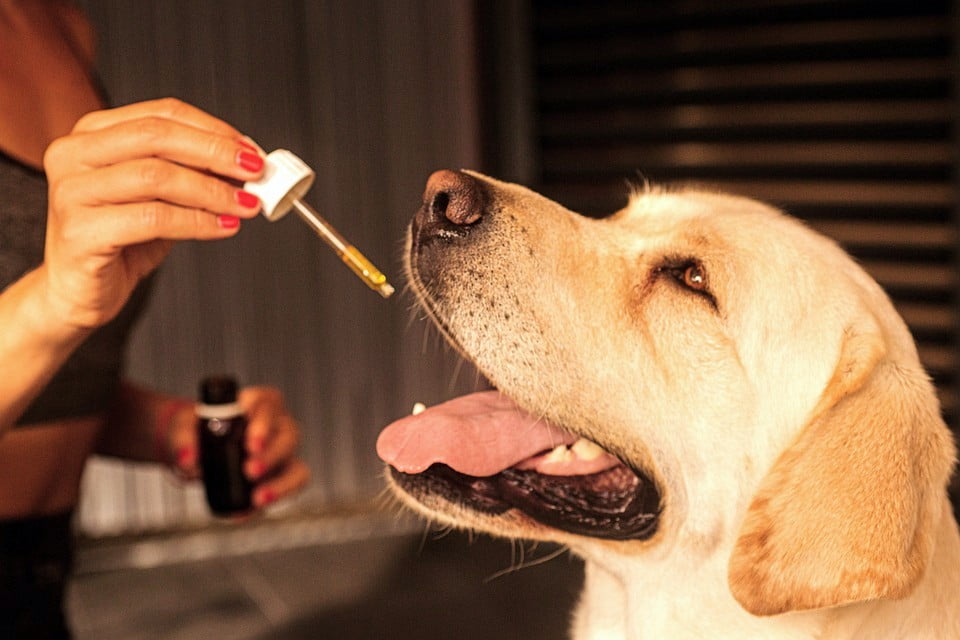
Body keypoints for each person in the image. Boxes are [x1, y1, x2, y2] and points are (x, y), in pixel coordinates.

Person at [0, 1, 310, 637]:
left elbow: (55, 383)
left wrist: (176, 432)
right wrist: (54, 299)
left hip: (41, 578)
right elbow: (45, 309)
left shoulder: (58, 22)